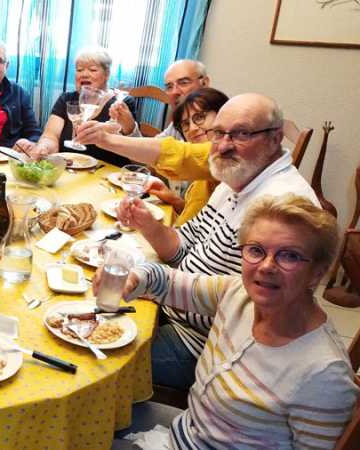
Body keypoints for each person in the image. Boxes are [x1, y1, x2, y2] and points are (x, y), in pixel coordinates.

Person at [84, 93, 320, 391]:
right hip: (171, 312)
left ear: (275, 139)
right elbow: (182, 248)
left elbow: (246, 307)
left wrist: (151, 282)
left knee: (87, 361)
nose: (222, 146)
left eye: (242, 134)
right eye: (219, 133)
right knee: (77, 307)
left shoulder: (282, 207)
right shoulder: (237, 179)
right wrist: (148, 224)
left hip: (205, 347)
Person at [105, 194, 359, 449]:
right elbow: (168, 281)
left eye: (289, 256)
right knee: (77, 418)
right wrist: (134, 278)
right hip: (184, 433)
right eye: (256, 250)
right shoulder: (239, 293)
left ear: (318, 272)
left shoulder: (324, 376)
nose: (267, 266)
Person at [22, 47, 140, 167]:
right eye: (79, 70)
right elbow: (51, 136)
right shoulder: (66, 99)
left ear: (107, 74)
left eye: (92, 70)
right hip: (69, 170)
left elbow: (133, 149)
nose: (84, 74)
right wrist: (44, 147)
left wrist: (126, 127)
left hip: (107, 174)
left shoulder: (121, 103)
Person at [143, 87, 228, 224]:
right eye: (186, 124)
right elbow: (197, 218)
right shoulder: (200, 176)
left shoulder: (224, 156)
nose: (193, 129)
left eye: (200, 117)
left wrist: (106, 139)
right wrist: (174, 200)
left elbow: (171, 152)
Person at [157, 59, 211, 139]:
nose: (174, 92)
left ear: (204, 83)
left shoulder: (221, 123)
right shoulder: (179, 120)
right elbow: (155, 144)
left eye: (183, 83)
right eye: (169, 87)